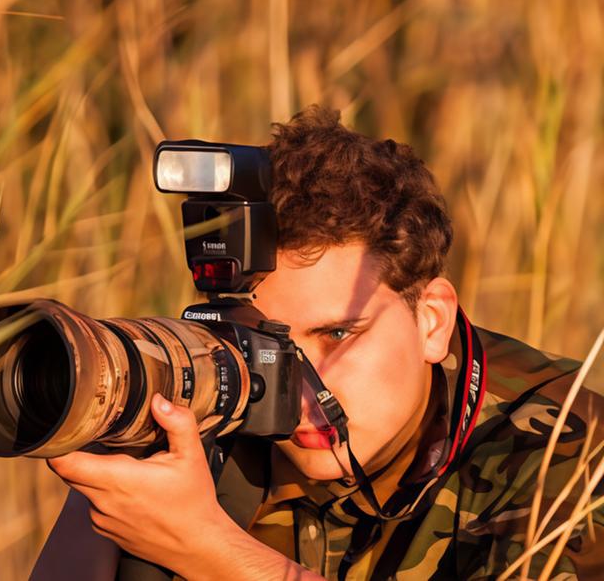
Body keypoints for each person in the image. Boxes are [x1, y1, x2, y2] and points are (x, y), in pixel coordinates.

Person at [30, 106, 604, 580]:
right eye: (263, 343)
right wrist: (111, 480)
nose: (298, 384)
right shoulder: (219, 419)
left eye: (336, 334)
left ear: (431, 321)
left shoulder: (571, 453)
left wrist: (211, 553)